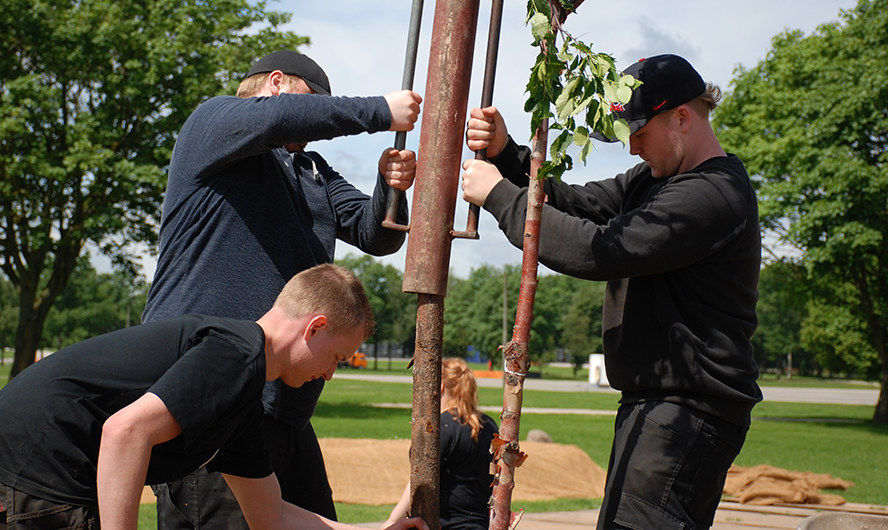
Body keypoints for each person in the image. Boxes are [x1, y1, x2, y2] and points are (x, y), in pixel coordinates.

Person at [460, 54, 763, 530]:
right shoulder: (656, 180)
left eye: (638, 134)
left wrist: (500, 197)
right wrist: (507, 155)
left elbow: (600, 251)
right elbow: (579, 205)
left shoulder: (711, 194)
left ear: (682, 117)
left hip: (688, 412)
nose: (632, 150)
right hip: (658, 404)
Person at [141, 50, 422, 529]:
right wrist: (379, 110)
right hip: (211, 394)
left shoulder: (312, 171)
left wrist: (389, 186)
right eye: (315, 106)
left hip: (284, 406)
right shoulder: (212, 125)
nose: (314, 127)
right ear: (276, 83)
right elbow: (282, 117)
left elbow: (377, 234)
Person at [0, 264, 429, 530]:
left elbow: (272, 516)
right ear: (315, 327)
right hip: (28, 482)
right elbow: (124, 431)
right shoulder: (237, 354)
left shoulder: (241, 395)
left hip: (2, 477)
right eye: (338, 358)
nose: (330, 374)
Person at [383, 358, 499, 530]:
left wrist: (391, 522)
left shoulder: (441, 429)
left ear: (440, 387)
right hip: (482, 525)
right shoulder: (489, 425)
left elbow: (419, 482)